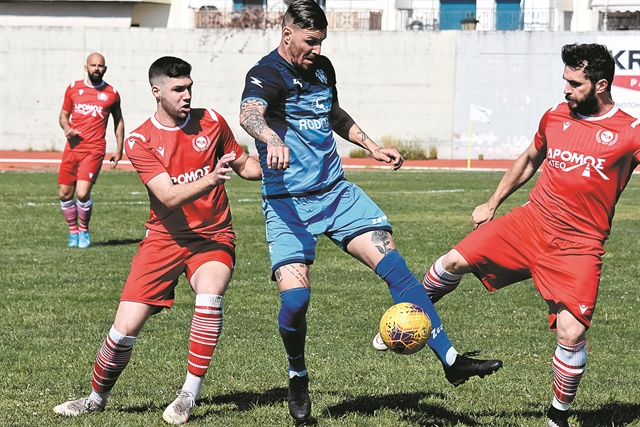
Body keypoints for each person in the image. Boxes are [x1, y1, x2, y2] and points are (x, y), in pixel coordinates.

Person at [239, 0, 502, 421]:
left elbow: (334, 113)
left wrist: (372, 146)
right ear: (287, 34)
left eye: (322, 42)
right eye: (310, 42)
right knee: (296, 301)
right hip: (288, 204)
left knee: (395, 267)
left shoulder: (322, 69)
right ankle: (297, 374)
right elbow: (249, 114)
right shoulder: (266, 73)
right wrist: (271, 138)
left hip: (336, 193)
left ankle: (451, 360)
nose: (317, 50)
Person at [418, 43, 639, 427]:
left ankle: (557, 417)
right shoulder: (554, 116)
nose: (566, 89)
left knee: (571, 333)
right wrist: (492, 203)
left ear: (601, 85)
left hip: (579, 246)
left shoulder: (631, 133)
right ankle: (407, 316)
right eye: (565, 80)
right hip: (530, 223)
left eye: (575, 84)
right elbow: (529, 159)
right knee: (451, 261)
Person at [54, 56, 262, 424]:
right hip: (163, 240)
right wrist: (211, 179)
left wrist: (277, 159)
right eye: (178, 89)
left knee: (209, 296)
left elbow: (245, 166)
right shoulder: (140, 140)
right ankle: (95, 398)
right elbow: (167, 195)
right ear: (157, 91)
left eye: (189, 87)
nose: (187, 95)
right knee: (123, 331)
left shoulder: (212, 121)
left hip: (212, 237)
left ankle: (187, 395)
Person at [58, 52, 125, 248]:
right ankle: (73, 232)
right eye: (93, 65)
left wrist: (119, 148)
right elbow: (63, 116)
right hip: (72, 148)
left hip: (94, 149)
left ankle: (84, 230)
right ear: (86, 67)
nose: (97, 68)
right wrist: (66, 128)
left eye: (100, 65)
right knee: (64, 194)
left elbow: (118, 121)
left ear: (105, 69)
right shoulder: (73, 88)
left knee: (82, 193)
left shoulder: (112, 93)